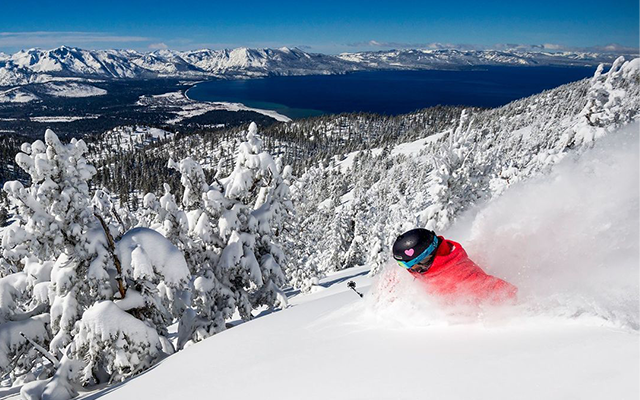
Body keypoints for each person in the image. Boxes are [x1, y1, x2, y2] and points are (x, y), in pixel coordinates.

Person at [392, 228, 517, 304]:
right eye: (401, 265)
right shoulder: (430, 269)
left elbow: (503, 291)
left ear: (424, 258)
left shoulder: (459, 276)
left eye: (407, 264)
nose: (407, 269)